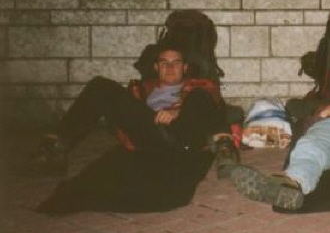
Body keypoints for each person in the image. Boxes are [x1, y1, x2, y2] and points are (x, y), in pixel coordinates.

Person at [30, 40, 224, 176]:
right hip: (150, 131)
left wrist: (178, 111)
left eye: (176, 63)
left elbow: (216, 110)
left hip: (180, 135)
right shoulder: (140, 89)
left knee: (199, 97)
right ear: (156, 67)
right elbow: (126, 118)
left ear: (185, 68)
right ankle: (55, 149)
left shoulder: (198, 86)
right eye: (164, 63)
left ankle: (176, 154)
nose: (170, 67)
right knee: (100, 86)